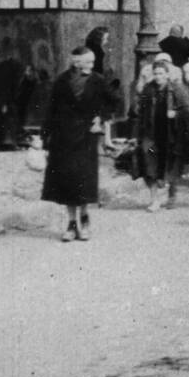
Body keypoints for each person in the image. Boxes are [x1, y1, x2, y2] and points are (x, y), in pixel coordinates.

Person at [41, 47, 117, 242]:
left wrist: (100, 119)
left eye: (93, 62)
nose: (92, 66)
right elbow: (51, 109)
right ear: (76, 62)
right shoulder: (62, 81)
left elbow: (114, 101)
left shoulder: (98, 81)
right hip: (63, 137)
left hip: (86, 136)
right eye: (88, 62)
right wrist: (44, 137)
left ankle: (84, 219)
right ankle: (71, 223)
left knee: (84, 179)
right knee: (67, 180)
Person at [132, 60, 189, 211]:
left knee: (171, 165)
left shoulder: (177, 89)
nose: (158, 77)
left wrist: (176, 113)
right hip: (151, 134)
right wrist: (136, 135)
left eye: (161, 73)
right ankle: (155, 200)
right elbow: (139, 113)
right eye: (155, 74)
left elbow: (188, 110)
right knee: (150, 165)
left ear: (167, 74)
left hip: (170, 135)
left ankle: (172, 195)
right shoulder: (148, 89)